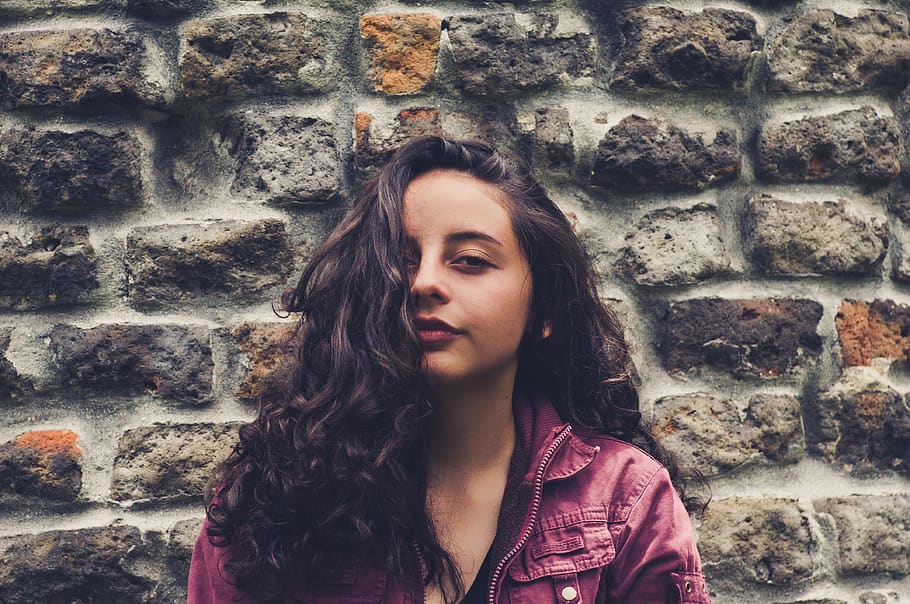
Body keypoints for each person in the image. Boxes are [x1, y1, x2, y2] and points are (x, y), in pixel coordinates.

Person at [188, 136, 711, 603]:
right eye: (401, 260)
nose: (424, 283)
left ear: (545, 309)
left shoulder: (624, 498)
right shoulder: (270, 495)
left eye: (470, 260)